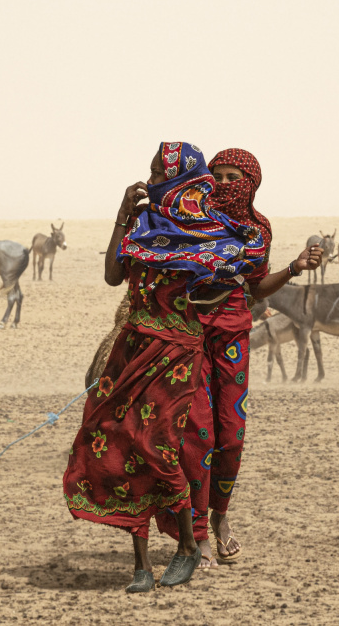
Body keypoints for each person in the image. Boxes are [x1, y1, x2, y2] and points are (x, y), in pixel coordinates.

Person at [63, 142, 265, 593]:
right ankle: (141, 565)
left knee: (166, 448)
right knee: (121, 442)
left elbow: (229, 286)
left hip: (177, 355)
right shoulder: (142, 223)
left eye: (157, 175)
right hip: (132, 350)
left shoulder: (215, 233)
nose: (150, 182)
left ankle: (190, 543)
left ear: (178, 179)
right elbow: (114, 276)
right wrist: (122, 214)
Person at [155, 148, 322, 568]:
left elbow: (256, 288)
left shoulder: (259, 229)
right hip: (190, 334)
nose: (226, 184)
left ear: (251, 183)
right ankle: (196, 537)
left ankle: (220, 517)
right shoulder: (192, 217)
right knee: (199, 436)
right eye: (219, 176)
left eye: (234, 177)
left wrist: (294, 268)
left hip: (232, 335)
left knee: (232, 436)